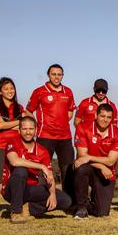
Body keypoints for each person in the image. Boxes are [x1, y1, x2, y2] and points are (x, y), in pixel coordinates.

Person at [1, 116, 72, 223]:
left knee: (65, 200)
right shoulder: (13, 142)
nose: (28, 132)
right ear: (19, 130)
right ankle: (16, 212)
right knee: (21, 170)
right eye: (24, 129)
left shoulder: (42, 151)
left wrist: (52, 194)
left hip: (30, 190)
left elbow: (50, 176)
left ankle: (27, 209)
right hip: (12, 189)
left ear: (35, 130)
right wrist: (41, 166)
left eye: (31, 129)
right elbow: (14, 161)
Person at [25, 64, 76, 196]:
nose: (56, 77)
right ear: (48, 75)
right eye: (54, 74)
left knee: (67, 168)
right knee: (42, 168)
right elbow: (28, 111)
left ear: (63, 76)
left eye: (59, 74)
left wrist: (62, 122)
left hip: (65, 137)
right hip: (45, 136)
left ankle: (68, 200)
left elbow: (70, 111)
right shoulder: (39, 91)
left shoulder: (68, 91)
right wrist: (38, 125)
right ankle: (41, 197)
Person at [72, 104, 118, 219]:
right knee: (81, 168)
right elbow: (82, 157)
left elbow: (111, 161)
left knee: (102, 212)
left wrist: (90, 158)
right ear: (96, 115)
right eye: (102, 116)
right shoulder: (82, 127)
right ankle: (81, 208)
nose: (105, 120)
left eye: (109, 117)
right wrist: (101, 166)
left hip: (106, 174)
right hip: (90, 168)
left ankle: (87, 202)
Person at [0, 77, 24, 210]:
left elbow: (27, 125)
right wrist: (19, 122)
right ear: (0, 92)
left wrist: (9, 125)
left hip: (16, 146)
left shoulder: (19, 107)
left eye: (12, 88)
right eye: (6, 89)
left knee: (17, 174)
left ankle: (18, 206)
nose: (10, 91)